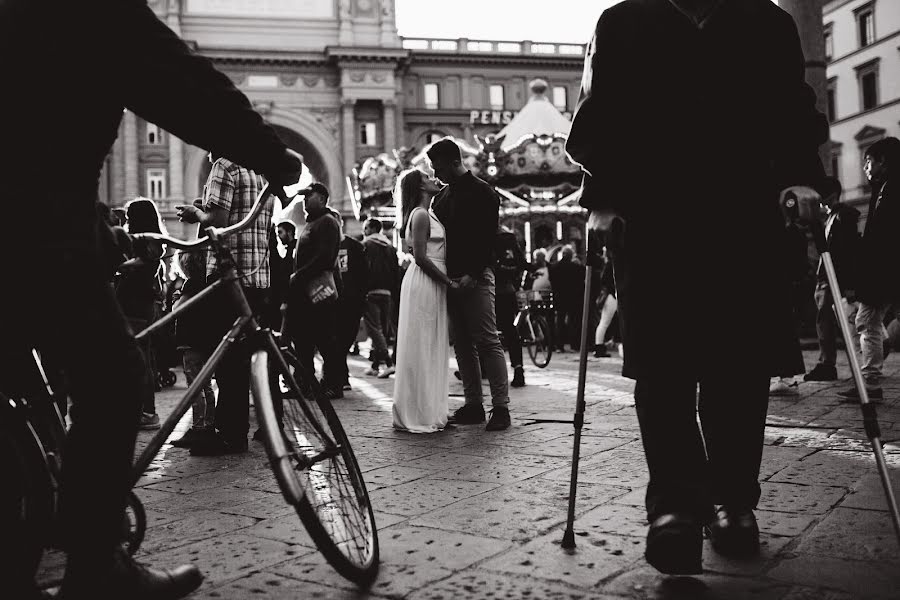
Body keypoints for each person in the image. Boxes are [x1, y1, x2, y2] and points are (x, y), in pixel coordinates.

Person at [0, 1, 302, 597]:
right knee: (112, 376)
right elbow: (181, 84)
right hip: (36, 223)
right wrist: (270, 153)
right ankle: (95, 565)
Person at [566, 0, 829, 575]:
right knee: (662, 366)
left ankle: (734, 501)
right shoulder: (623, 21)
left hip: (745, 214)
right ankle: (676, 508)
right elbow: (601, 113)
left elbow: (793, 108)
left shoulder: (767, 22)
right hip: (656, 216)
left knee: (739, 365)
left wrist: (801, 176)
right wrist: (603, 199)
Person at [177, 152, 272, 456]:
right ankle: (235, 432)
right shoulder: (261, 171)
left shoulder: (224, 167)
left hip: (228, 276)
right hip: (258, 277)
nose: (205, 152)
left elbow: (216, 221)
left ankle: (228, 435)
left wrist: (196, 213)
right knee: (239, 361)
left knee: (226, 361)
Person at [428, 139, 511, 431]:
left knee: (487, 339)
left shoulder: (483, 192)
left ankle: (501, 407)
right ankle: (474, 403)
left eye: (437, 167)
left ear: (453, 162)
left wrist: (474, 273)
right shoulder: (440, 198)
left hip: (475, 276)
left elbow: (488, 237)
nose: (435, 173)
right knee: (462, 343)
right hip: (450, 278)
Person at [838, 137, 900, 402]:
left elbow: (882, 238)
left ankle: (870, 384)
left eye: (868, 161)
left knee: (866, 322)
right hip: (885, 271)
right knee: (870, 322)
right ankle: (871, 376)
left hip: (882, 271)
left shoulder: (889, 190)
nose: (865, 167)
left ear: (882, 161)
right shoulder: (883, 188)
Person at [392, 169, 454, 432]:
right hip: (427, 281)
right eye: (428, 178)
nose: (434, 179)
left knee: (430, 343)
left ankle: (430, 408)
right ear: (419, 187)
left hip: (432, 280)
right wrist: (447, 282)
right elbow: (420, 256)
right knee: (423, 342)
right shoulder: (419, 215)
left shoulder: (427, 213)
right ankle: (419, 412)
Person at [288, 183, 345, 400]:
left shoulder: (327, 222)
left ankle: (333, 384)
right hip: (304, 295)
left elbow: (325, 257)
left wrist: (298, 275)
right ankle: (305, 384)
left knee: (325, 340)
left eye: (308, 196)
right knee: (303, 341)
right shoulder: (312, 223)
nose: (304, 201)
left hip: (319, 294)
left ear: (321, 198)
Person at [116, 198, 167, 430]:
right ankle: (144, 410)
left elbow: (147, 263)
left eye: (129, 216)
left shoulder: (147, 241)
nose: (126, 219)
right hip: (141, 303)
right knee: (142, 357)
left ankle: (146, 412)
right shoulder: (152, 239)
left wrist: (122, 267)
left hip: (136, 303)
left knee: (139, 359)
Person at [804, 177, 860, 382]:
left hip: (833, 280)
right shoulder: (830, 216)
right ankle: (827, 363)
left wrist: (850, 284)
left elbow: (849, 252)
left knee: (832, 324)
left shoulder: (843, 215)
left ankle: (828, 365)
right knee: (826, 323)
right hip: (826, 279)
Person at [169, 249, 217, 449]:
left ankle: (197, 427)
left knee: (195, 387)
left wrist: (175, 299)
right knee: (206, 385)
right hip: (206, 341)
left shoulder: (190, 284)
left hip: (191, 342)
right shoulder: (206, 281)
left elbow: (177, 310)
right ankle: (209, 424)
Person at [362, 218, 401, 378]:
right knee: (383, 330)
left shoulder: (366, 245)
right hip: (388, 293)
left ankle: (389, 363)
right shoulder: (390, 247)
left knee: (374, 329)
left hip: (371, 292)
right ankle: (375, 365)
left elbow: (362, 269)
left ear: (371, 228)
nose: (364, 231)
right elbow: (395, 271)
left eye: (365, 228)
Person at [336, 217, 369, 391]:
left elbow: (364, 274)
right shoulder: (325, 246)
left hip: (351, 302)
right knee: (335, 341)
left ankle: (339, 374)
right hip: (332, 302)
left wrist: (361, 299)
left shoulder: (355, 247)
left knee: (347, 338)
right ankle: (339, 376)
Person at [494, 225, 528, 387]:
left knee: (483, 330)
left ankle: (484, 368)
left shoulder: (486, 235)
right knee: (510, 331)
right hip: (508, 290)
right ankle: (518, 369)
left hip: (491, 288)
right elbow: (521, 262)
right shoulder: (510, 238)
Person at [549, 245, 584, 352]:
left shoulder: (554, 267)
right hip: (573, 297)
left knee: (559, 321)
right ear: (571, 256)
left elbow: (552, 282)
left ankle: (559, 345)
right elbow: (581, 282)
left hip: (559, 297)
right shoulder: (576, 268)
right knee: (574, 321)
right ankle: (574, 345)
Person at [269, 219, 298, 334]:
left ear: (289, 232)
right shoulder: (290, 249)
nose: (279, 237)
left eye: (280, 233)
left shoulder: (294, 250)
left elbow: (287, 274)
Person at [593, 245, 619, 358]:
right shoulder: (610, 265)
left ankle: (599, 346)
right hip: (611, 296)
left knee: (604, 322)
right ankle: (599, 347)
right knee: (604, 323)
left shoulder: (607, 264)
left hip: (609, 295)